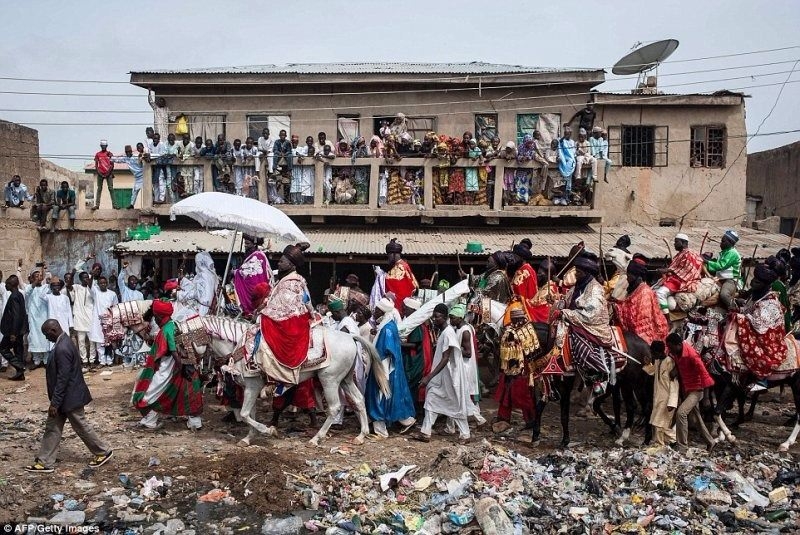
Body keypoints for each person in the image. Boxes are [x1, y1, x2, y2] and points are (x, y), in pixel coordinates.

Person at [25, 320, 112, 473]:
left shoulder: (62, 348)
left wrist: (55, 403)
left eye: (46, 334)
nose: (46, 338)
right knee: (52, 428)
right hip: (66, 397)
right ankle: (45, 461)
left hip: (69, 397)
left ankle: (103, 451)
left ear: (53, 330)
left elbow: (63, 379)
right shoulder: (65, 341)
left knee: (81, 426)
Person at [132, 299, 203, 431]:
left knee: (148, 393)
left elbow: (173, 351)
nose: (155, 321)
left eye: (155, 317)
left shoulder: (166, 330)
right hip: (184, 366)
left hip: (169, 368)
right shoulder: (173, 324)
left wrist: (179, 368)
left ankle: (150, 421)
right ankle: (195, 423)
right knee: (188, 394)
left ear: (159, 316)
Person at [415, 303, 472, 443]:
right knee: (431, 399)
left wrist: (429, 377)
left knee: (456, 404)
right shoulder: (444, 332)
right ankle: (425, 432)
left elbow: (446, 358)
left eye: (438, 317)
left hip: (451, 377)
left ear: (446, 317)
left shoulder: (448, 334)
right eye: (434, 317)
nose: (435, 319)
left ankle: (465, 434)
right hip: (443, 376)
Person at [730, 263, 788, 392]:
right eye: (753, 280)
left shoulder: (770, 303)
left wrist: (741, 317)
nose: (752, 284)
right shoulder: (756, 295)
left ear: (765, 285)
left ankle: (762, 379)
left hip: (767, 337)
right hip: (758, 328)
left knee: (752, 348)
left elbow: (760, 325)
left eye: (757, 282)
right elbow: (748, 310)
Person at [365, 297, 416, 437]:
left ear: (382, 312)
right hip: (385, 367)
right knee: (392, 395)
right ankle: (407, 420)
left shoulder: (387, 329)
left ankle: (381, 430)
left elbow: (388, 350)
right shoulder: (388, 326)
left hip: (384, 368)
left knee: (379, 395)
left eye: (376, 310)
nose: (374, 312)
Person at [665, 333, 716, 452]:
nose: (670, 349)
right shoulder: (677, 352)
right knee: (695, 419)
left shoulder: (692, 355)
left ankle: (682, 446)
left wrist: (706, 397)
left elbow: (705, 374)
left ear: (678, 345)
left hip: (697, 390)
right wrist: (675, 370)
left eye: (671, 347)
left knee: (681, 413)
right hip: (687, 389)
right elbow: (679, 363)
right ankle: (711, 441)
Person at [493, 303, 538, 433]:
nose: (522, 321)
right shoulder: (512, 332)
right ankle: (505, 419)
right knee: (513, 395)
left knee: (523, 396)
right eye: (519, 319)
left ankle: (529, 420)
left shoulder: (519, 331)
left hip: (520, 370)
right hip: (514, 370)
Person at [612, 257, 668, 345]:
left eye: (629, 275)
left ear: (637, 276)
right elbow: (628, 304)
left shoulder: (644, 293)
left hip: (645, 334)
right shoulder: (634, 288)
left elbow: (639, 319)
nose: (627, 278)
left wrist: (617, 307)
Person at [450, 303, 487, 428]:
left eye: (453, 318)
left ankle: (452, 427)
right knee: (460, 396)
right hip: (462, 367)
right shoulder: (462, 328)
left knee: (459, 396)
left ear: (460, 318)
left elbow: (468, 353)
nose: (451, 320)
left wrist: (453, 348)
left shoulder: (465, 331)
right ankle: (477, 419)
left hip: (464, 368)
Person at [655, 233, 703, 314]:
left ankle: (667, 319)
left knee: (660, 293)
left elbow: (687, 271)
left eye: (676, 242)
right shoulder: (680, 254)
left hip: (681, 281)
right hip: (674, 279)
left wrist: (667, 271)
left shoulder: (689, 254)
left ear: (684, 243)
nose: (674, 244)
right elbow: (675, 268)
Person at [647, 340, 679, 447]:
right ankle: (673, 441)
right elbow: (653, 371)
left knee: (659, 423)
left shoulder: (670, 362)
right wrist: (647, 364)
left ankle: (659, 445)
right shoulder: (657, 361)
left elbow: (674, 385)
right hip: (658, 397)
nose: (652, 355)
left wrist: (672, 402)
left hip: (667, 399)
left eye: (653, 353)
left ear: (659, 352)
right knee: (662, 424)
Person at [233, 235, 273, 318]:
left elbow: (250, 276)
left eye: (247, 243)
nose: (245, 245)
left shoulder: (258, 256)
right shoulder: (251, 255)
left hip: (255, 289)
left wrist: (236, 272)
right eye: (244, 243)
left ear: (254, 244)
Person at [704, 230, 742, 310]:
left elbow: (721, 266)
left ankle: (734, 310)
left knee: (724, 294)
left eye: (723, 241)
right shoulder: (723, 253)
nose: (721, 243)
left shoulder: (732, 253)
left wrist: (706, 261)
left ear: (730, 242)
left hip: (731, 280)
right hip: (720, 279)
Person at [175, 251, 219, 320]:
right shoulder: (212, 275)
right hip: (207, 308)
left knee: (178, 318)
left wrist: (180, 295)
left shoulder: (204, 276)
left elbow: (197, 293)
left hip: (202, 309)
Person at [0, 274, 28, 380]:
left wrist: (13, 333)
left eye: (7, 283)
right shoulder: (18, 294)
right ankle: (20, 374)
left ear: (11, 284)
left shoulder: (15, 296)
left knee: (3, 348)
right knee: (18, 350)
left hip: (13, 331)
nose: (5, 285)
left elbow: (16, 316)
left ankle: (20, 367)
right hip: (19, 330)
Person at [22, 265, 50, 368]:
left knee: (45, 338)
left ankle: (46, 360)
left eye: (39, 275)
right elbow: (27, 293)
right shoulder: (29, 288)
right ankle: (36, 361)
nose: (38, 277)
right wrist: (34, 283)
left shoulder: (45, 287)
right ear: (32, 278)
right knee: (34, 338)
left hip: (44, 317)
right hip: (33, 319)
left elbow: (49, 291)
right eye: (36, 276)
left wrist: (46, 273)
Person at [89, 276, 119, 367]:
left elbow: (115, 307)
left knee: (109, 341)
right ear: (98, 284)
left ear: (107, 283)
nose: (103, 284)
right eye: (101, 283)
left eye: (104, 283)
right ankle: (102, 361)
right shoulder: (95, 292)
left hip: (109, 320)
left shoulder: (112, 294)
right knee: (100, 341)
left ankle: (109, 360)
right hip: (98, 321)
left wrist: (114, 320)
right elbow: (89, 285)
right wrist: (91, 274)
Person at [384, 239, 419, 313]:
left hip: (402, 303)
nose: (388, 258)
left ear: (394, 254)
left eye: (389, 255)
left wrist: (380, 277)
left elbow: (393, 284)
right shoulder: (404, 265)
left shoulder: (400, 267)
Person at [113, 144, 145, 209]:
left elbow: (142, 160)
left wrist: (141, 157)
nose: (128, 153)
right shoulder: (126, 158)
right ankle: (132, 205)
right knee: (134, 191)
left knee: (148, 190)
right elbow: (118, 160)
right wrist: (110, 158)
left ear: (131, 152)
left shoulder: (136, 156)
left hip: (144, 175)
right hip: (137, 177)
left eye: (129, 152)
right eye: (127, 152)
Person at [556, 127, 577, 205]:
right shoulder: (562, 140)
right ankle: (563, 197)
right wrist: (563, 137)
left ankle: (567, 197)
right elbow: (560, 145)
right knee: (564, 181)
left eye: (568, 134)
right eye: (565, 134)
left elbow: (574, 151)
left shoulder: (572, 142)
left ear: (570, 134)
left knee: (569, 181)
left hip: (571, 160)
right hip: (565, 158)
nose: (566, 135)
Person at [93, 140, 115, 210]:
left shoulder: (110, 154)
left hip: (109, 173)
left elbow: (112, 165)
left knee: (111, 188)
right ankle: (97, 205)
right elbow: (96, 165)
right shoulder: (97, 154)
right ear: (100, 146)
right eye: (102, 146)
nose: (103, 147)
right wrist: (99, 173)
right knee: (99, 189)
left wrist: (107, 173)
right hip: (100, 173)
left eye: (104, 146)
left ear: (106, 146)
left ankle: (114, 205)